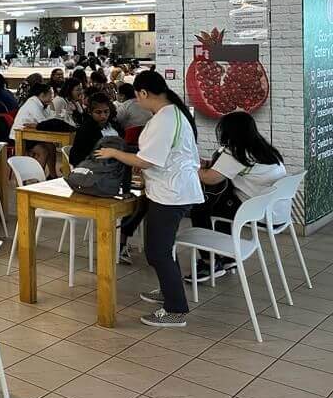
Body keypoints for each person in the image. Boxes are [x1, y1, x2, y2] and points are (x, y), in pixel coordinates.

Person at [95, 70, 202, 329]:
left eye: (138, 96)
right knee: (161, 248)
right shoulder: (171, 113)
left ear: (143, 93)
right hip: (171, 189)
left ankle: (175, 309)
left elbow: (146, 161)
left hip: (171, 194)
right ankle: (168, 291)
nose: (137, 101)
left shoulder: (166, 118)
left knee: (157, 251)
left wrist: (113, 153)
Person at [187, 111, 286, 282]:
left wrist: (189, 165)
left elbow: (209, 178)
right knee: (223, 202)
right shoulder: (262, 149)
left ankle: (210, 263)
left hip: (259, 212)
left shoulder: (236, 153)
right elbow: (234, 169)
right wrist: (210, 164)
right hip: (277, 211)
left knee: (200, 210)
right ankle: (228, 257)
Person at [69, 92, 120, 167]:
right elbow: (78, 157)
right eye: (98, 112)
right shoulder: (85, 130)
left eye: (106, 111)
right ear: (90, 112)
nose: (103, 116)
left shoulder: (115, 126)